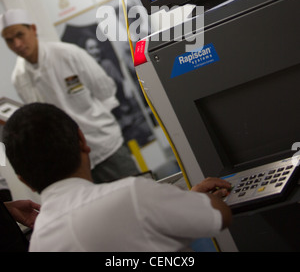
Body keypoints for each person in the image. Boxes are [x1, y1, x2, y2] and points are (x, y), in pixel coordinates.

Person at [3, 102, 232, 252]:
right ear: (82, 141)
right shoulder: (133, 194)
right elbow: (219, 216)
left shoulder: (40, 243)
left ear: (22, 179)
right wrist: (192, 200)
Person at [0, 8, 139, 183]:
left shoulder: (68, 54)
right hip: (71, 166)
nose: (17, 44)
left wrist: (92, 124)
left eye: (20, 35)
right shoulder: (19, 77)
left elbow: (106, 91)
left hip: (105, 148)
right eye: (9, 40)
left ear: (33, 29)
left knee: (137, 196)